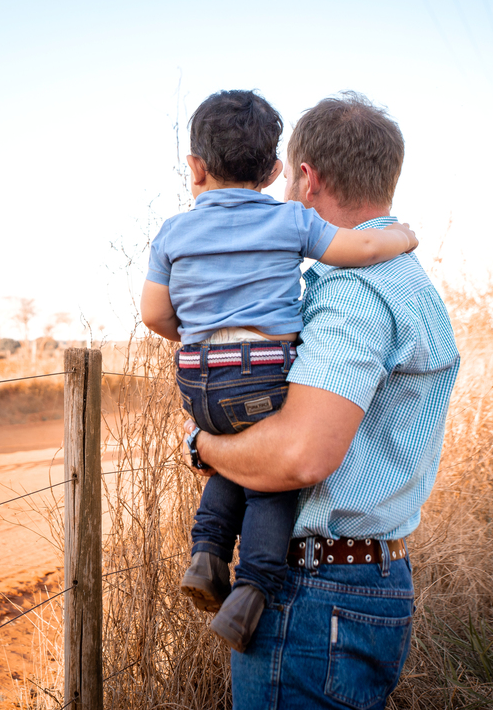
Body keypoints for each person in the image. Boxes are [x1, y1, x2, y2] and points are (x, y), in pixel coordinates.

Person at [185, 91, 460, 709]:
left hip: (316, 592)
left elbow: (302, 457)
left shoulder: (352, 291)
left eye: (289, 178)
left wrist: (202, 444)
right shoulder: (404, 277)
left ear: (307, 179)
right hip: (365, 580)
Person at [140, 90, 419, 653]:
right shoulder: (291, 221)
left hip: (198, 376)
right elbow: (362, 249)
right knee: (270, 482)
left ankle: (206, 552)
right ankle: (253, 588)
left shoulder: (171, 232)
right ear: (272, 172)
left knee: (236, 448)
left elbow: (154, 314)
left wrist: (199, 337)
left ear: (195, 167)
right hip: (261, 371)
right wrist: (401, 237)